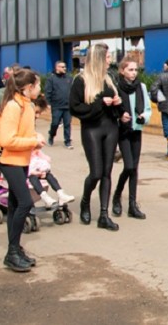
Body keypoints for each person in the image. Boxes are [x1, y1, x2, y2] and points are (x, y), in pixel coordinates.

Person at [0, 68, 46, 272]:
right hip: (10, 161)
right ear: (28, 87)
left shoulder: (27, 105)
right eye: (38, 85)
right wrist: (32, 141)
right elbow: (6, 139)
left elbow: (23, 133)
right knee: (24, 202)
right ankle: (12, 252)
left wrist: (34, 141)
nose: (39, 89)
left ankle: (15, 249)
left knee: (16, 204)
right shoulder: (14, 106)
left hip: (21, 160)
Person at [69, 43, 124, 231]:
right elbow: (75, 108)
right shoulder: (81, 80)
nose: (110, 61)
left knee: (107, 172)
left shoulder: (109, 79)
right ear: (99, 59)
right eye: (107, 57)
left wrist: (118, 105)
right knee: (96, 173)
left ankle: (103, 214)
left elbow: (117, 106)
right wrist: (100, 103)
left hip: (111, 128)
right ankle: (85, 202)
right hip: (92, 129)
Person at [113, 57, 152, 219]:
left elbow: (148, 108)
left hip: (136, 130)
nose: (134, 73)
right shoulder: (116, 88)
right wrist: (120, 117)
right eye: (130, 69)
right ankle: (117, 195)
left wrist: (144, 116)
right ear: (122, 71)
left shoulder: (141, 87)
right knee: (128, 166)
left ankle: (132, 205)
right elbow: (112, 111)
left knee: (134, 169)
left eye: (136, 70)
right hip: (123, 132)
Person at [27, 95, 75, 208]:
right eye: (36, 112)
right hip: (24, 162)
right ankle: (44, 197)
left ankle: (60, 193)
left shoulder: (30, 123)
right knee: (33, 176)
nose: (37, 116)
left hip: (32, 159)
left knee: (48, 174)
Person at [45, 60, 73, 149]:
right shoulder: (51, 78)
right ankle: (51, 136)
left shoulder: (69, 78)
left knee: (67, 124)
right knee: (55, 123)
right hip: (56, 106)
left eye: (65, 67)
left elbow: (73, 91)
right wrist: (48, 103)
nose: (64, 68)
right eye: (62, 67)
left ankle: (67, 141)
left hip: (67, 106)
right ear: (57, 67)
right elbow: (48, 91)